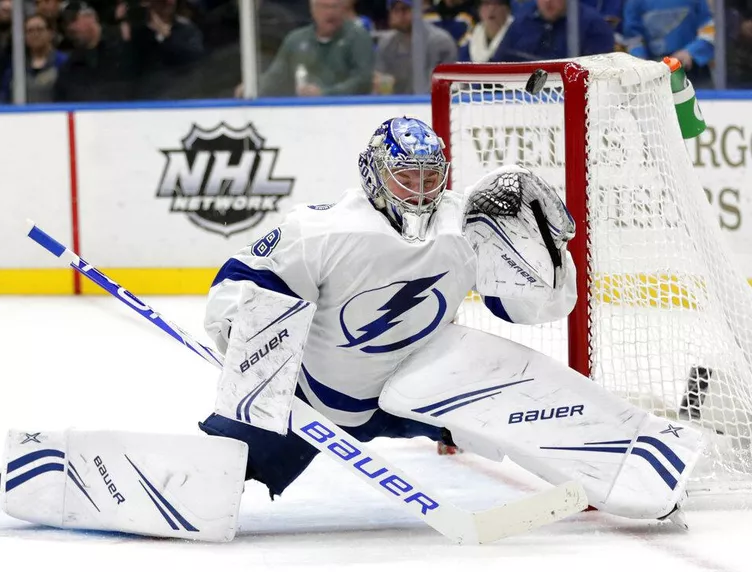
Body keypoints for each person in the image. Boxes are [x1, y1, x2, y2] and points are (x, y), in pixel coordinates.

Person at [200, 116, 699, 524]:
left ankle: (640, 460)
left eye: (429, 175)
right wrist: (242, 342)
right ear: (374, 174)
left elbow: (529, 311)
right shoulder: (320, 230)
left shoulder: (468, 226)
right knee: (217, 472)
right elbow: (243, 284)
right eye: (406, 176)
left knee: (508, 384)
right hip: (310, 402)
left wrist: (548, 258)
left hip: (411, 393)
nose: (419, 190)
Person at [235, 0, 374, 97]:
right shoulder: (296, 40)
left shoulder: (357, 37)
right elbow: (276, 77)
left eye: (335, 7)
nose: (331, 13)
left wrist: (325, 94)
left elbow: (363, 80)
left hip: (347, 112)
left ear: (344, 9)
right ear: (312, 9)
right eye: (324, 7)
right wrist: (253, 88)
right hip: (304, 113)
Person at [623, 0, 715, 88]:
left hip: (691, 69)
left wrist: (691, 51)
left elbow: (709, 30)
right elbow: (632, 37)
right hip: (652, 73)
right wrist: (640, 59)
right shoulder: (634, 3)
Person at [374, 0, 458, 94]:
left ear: (419, 10)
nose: (400, 15)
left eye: (405, 9)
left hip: (432, 104)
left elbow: (450, 85)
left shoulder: (440, 42)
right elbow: (380, 82)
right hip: (396, 105)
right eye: (395, 10)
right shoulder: (386, 43)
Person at [491, 0, 614, 61]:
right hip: (522, 101)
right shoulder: (522, 23)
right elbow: (496, 65)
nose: (548, 2)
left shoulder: (593, 25)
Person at [0, 14, 68, 103]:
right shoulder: (16, 65)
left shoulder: (64, 63)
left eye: (40, 29)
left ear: (50, 33)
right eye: (30, 31)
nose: (35, 34)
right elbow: (4, 96)